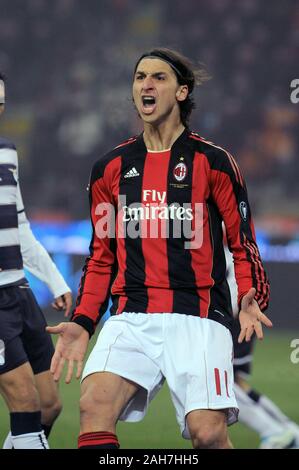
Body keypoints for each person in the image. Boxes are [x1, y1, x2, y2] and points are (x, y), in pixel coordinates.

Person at [47, 47, 271, 449]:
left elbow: (243, 242)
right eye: (139, 77)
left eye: (158, 77)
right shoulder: (110, 168)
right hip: (132, 315)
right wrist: (83, 323)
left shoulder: (214, 162)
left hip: (200, 316)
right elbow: (101, 256)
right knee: (93, 406)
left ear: (182, 92)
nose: (145, 85)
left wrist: (253, 296)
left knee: (207, 433)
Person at [0, 72, 72, 449]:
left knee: (48, 405)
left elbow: (20, 225)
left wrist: (54, 280)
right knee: (25, 403)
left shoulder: (7, 153)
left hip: (20, 292)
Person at [225, 246, 299, 449]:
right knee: (236, 383)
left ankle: (276, 431)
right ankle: (286, 429)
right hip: (239, 316)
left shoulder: (224, 243)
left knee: (221, 383)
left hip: (233, 319)